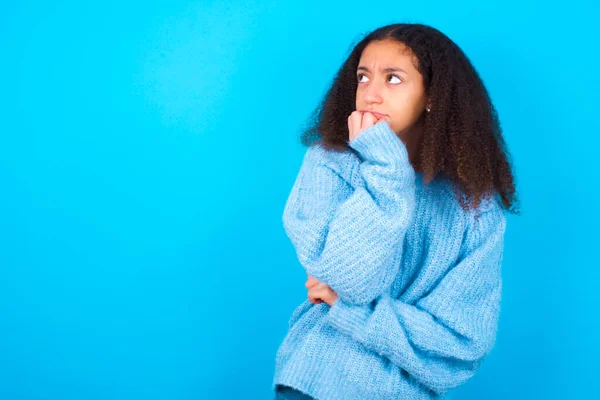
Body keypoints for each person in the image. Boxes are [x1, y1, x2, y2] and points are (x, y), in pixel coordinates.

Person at [272, 22, 520, 400]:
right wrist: (387, 167)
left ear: (431, 95)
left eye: (393, 78)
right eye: (363, 76)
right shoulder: (331, 164)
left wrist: (353, 310)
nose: (370, 93)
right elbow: (352, 278)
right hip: (315, 384)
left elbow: (459, 345)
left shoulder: (476, 209)